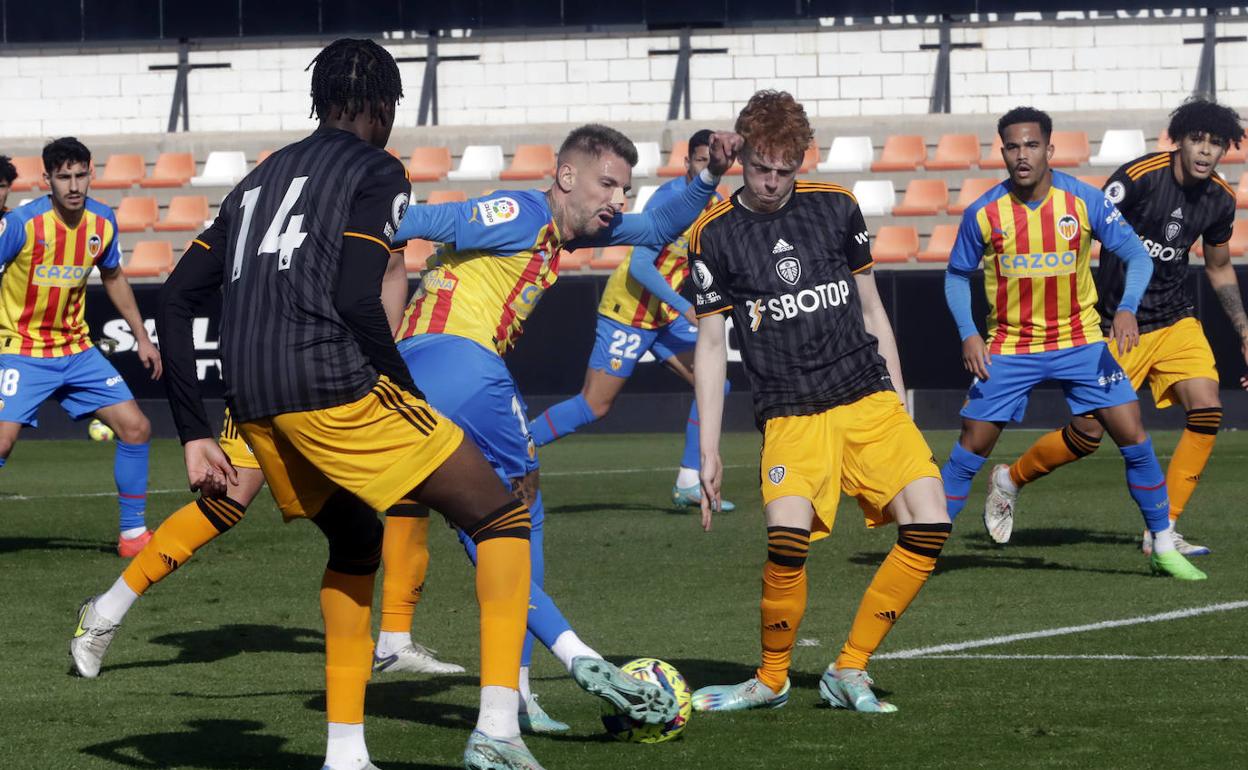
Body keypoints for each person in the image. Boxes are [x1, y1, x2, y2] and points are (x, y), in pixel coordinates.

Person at [75, 39, 542, 770]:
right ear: (385, 108)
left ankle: (346, 755)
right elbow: (360, 296)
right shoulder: (377, 169)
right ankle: (498, 731)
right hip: (331, 386)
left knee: (357, 540)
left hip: (252, 400)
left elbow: (177, 299)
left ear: (317, 101)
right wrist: (403, 390)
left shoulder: (260, 177)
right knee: (500, 514)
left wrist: (195, 431)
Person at [393, 122, 740, 730]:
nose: (618, 201)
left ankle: (520, 688)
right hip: (461, 364)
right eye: (607, 184)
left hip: (421, 379)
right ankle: (546, 672)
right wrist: (348, 225)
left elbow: (660, 229)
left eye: (625, 190)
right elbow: (423, 223)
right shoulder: (523, 212)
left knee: (494, 526)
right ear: (566, 177)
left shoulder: (561, 232)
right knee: (520, 517)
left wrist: (709, 176)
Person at [688, 90, 951, 715]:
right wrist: (708, 450)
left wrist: (899, 398)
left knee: (931, 524)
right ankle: (771, 678)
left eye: (787, 169)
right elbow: (708, 343)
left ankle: (849, 668)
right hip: (789, 411)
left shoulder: (837, 207)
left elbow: (872, 310)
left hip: (867, 397)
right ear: (742, 154)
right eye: (761, 167)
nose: (774, 182)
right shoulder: (712, 235)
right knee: (786, 541)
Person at [940, 106, 1206, 581]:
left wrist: (1126, 307)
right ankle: (925, 545)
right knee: (969, 448)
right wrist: (968, 332)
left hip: (1081, 342)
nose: (1023, 156)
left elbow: (1137, 257)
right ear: (1002, 152)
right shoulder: (983, 213)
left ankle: (1164, 546)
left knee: (1134, 438)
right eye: (1013, 147)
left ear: (1049, 149)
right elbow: (957, 275)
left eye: (1032, 145)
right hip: (1010, 347)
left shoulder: (1084, 201)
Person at [983, 99, 1247, 556]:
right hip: (1112, 324)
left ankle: (1162, 530)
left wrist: (1243, 330)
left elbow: (1220, 267)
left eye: (1216, 144)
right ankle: (1010, 478)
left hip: (1174, 318)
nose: (1205, 151)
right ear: (1178, 141)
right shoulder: (1137, 179)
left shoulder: (1221, 199)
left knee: (1207, 409)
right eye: (1197, 140)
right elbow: (1081, 235)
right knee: (1086, 436)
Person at [70, 409, 465, 680]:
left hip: (333, 380)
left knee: (362, 530)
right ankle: (105, 613)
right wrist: (193, 431)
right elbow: (179, 299)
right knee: (226, 500)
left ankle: (390, 644)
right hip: (268, 378)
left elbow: (379, 291)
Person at [525, 128, 735, 511]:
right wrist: (685, 305)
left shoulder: (714, 201)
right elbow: (640, 265)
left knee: (714, 383)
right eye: (701, 161)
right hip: (629, 311)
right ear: (688, 163)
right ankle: (513, 445)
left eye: (713, 161)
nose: (708, 167)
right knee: (594, 406)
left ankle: (689, 480)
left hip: (663, 314)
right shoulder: (669, 200)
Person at [0, 138, 160, 557]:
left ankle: (132, 535)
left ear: (91, 173)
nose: (73, 185)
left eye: (80, 175)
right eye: (63, 177)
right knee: (1, 443)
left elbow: (113, 277)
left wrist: (142, 337)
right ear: (46, 179)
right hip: (21, 348)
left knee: (136, 427)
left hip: (75, 350)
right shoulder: (22, 225)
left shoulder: (103, 222)